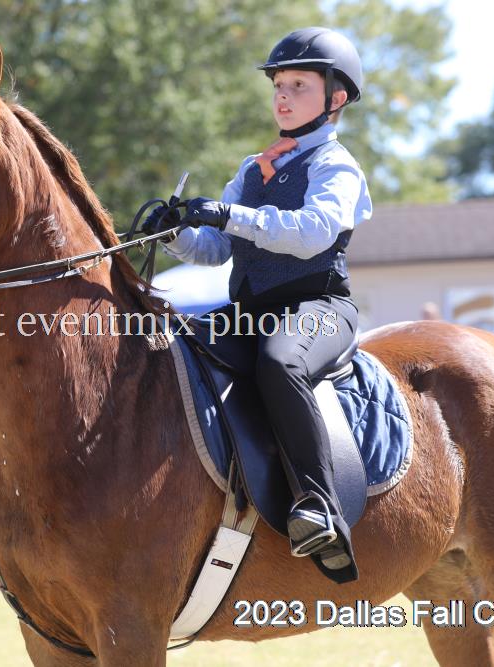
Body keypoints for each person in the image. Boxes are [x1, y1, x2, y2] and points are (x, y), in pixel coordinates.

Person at [144, 27, 371, 583]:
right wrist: (175, 232)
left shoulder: (336, 166)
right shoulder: (253, 169)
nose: (283, 97)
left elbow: (312, 233)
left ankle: (319, 505)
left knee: (280, 361)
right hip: (249, 313)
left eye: (299, 86)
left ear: (336, 98)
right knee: (164, 345)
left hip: (318, 309)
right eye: (279, 86)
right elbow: (217, 248)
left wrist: (230, 215)